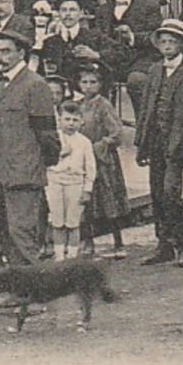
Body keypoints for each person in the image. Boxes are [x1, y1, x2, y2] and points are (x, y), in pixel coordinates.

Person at [0, 26, 59, 305]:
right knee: (9, 237)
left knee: (24, 236)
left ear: (21, 53)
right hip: (3, 172)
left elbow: (47, 134)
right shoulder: (5, 84)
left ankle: (38, 296)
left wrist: (39, 166)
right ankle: (20, 292)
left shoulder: (34, 85)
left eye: (5, 51)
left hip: (24, 173)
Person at [135, 19, 183, 266]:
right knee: (156, 192)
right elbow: (145, 108)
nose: (167, 46)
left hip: (178, 143)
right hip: (155, 141)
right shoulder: (155, 71)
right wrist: (141, 142)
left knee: (170, 192)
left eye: (172, 41)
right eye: (163, 41)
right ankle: (163, 244)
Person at [75, 65, 129, 259]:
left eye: (93, 82)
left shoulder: (104, 105)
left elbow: (116, 133)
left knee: (109, 201)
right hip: (82, 159)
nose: (88, 86)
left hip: (102, 160)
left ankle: (118, 242)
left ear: (100, 84)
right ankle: (88, 241)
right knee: (86, 202)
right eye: (84, 82)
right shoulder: (78, 105)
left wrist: (100, 145)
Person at [45, 102, 96, 263]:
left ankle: (72, 255)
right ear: (59, 120)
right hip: (55, 181)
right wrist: (60, 154)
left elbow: (90, 167)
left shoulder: (84, 142)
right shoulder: (54, 138)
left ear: (81, 121)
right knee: (57, 221)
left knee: (73, 223)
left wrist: (87, 189)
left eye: (75, 120)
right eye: (67, 119)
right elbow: (45, 159)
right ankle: (59, 255)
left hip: (75, 183)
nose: (71, 123)